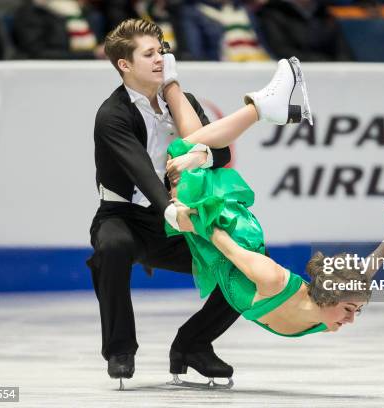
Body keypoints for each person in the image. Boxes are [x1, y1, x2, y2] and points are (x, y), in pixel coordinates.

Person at [158, 56, 384, 341]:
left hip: (218, 247)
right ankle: (258, 108)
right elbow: (222, 242)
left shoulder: (327, 311)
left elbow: (363, 275)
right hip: (228, 228)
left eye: (355, 310)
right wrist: (186, 215)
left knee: (194, 144)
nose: (351, 319)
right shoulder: (272, 280)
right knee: (184, 152)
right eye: (349, 309)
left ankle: (176, 82)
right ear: (330, 298)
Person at [87, 18, 240, 390]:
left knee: (243, 265)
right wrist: (170, 208)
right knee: (113, 247)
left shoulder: (182, 103)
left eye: (163, 52)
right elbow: (139, 170)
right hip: (124, 216)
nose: (161, 59)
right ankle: (120, 349)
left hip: (177, 220)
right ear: (125, 64)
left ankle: (193, 344)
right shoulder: (113, 114)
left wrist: (197, 158)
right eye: (150, 54)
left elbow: (219, 153)